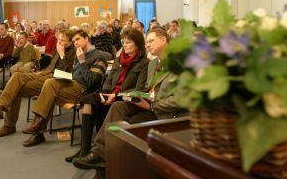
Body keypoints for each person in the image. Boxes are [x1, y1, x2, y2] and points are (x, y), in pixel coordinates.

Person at [72, 28, 183, 171]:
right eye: (147, 42)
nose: (147, 45)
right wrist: (135, 96)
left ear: (163, 40)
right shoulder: (153, 64)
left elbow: (180, 99)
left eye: (151, 41)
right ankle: (98, 153)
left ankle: (102, 158)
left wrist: (151, 105)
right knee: (117, 106)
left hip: (162, 112)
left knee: (121, 125)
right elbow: (146, 89)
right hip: (146, 104)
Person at [65, 28, 149, 162]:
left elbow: (138, 89)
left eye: (128, 42)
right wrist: (105, 93)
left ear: (137, 45)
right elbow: (109, 80)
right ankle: (84, 149)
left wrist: (116, 96)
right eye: (123, 42)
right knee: (88, 99)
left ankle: (95, 152)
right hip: (110, 94)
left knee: (100, 103)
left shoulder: (144, 63)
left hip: (123, 98)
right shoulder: (119, 59)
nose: (124, 45)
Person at [0, 29, 76, 137]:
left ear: (71, 42)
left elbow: (67, 74)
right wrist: (40, 71)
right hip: (44, 74)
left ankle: (9, 125)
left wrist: (62, 55)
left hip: (55, 80)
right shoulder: (60, 47)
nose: (59, 42)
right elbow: (50, 66)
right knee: (16, 76)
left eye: (63, 40)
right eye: (59, 39)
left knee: (16, 89)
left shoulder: (74, 53)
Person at [22, 30, 108, 147]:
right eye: (73, 41)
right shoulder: (79, 53)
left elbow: (92, 82)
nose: (75, 43)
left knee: (50, 87)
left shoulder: (98, 56)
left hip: (85, 91)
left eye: (78, 39)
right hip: (73, 84)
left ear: (87, 38)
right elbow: (75, 74)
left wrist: (82, 61)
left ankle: (39, 128)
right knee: (49, 85)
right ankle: (39, 127)